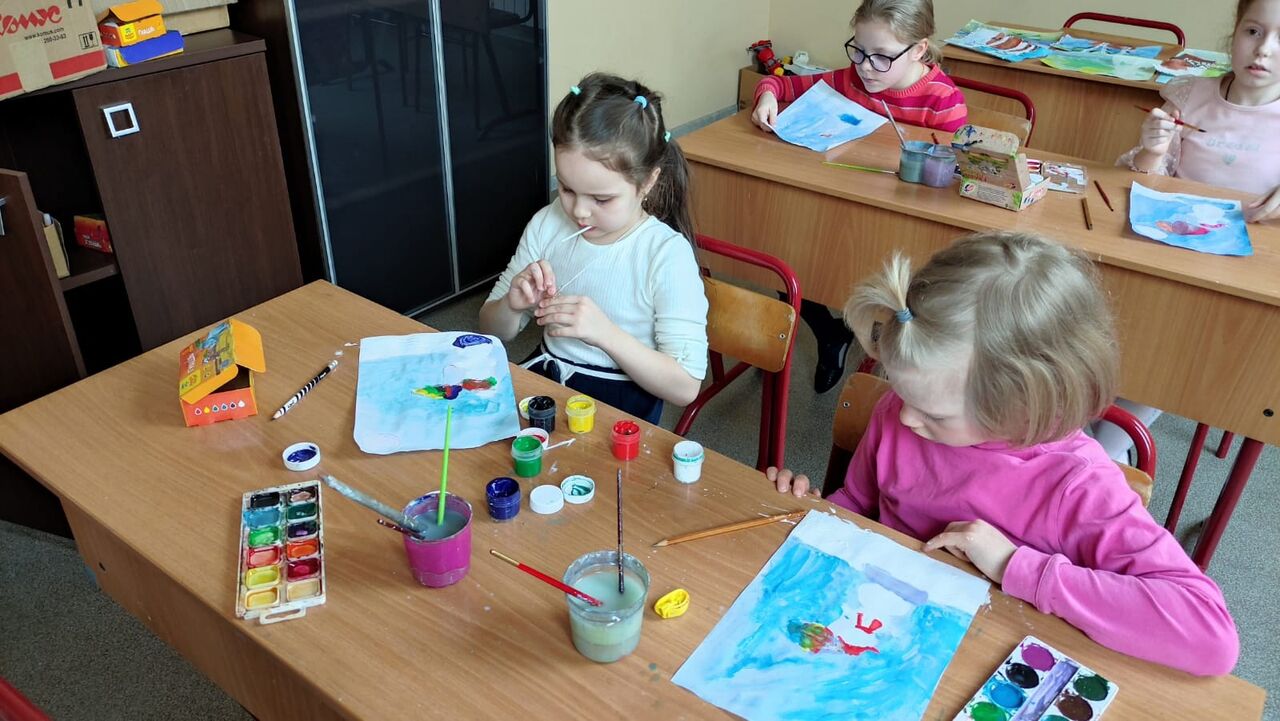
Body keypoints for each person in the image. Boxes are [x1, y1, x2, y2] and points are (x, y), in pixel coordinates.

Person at [766, 232, 1239, 676]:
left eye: (934, 413)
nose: (905, 417)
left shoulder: (1078, 485)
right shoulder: (900, 412)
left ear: (1018, 407)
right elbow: (860, 502)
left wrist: (1016, 566)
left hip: (979, 662)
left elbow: (1211, 635)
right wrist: (816, 512)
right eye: (898, 388)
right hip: (878, 631)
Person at [752, 0, 969, 393]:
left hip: (902, 231)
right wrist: (767, 96)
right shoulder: (851, 79)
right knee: (787, 257)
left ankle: (871, 341)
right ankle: (831, 333)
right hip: (839, 215)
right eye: (859, 50)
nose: (866, 67)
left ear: (918, 49)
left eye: (882, 56)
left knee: (888, 292)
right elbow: (781, 84)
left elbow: (949, 183)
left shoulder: (943, 102)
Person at [479, 73, 708, 424]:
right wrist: (512, 304)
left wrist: (605, 334)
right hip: (550, 383)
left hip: (620, 408)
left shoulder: (665, 255)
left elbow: (685, 386)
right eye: (567, 189)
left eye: (601, 199)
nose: (580, 212)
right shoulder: (548, 222)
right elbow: (489, 330)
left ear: (648, 182)